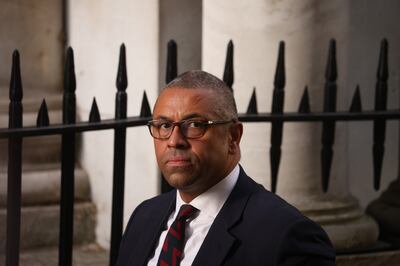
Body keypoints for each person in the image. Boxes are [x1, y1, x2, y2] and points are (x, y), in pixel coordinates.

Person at [116, 70, 335, 266]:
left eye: (194, 125)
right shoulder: (144, 216)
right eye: (164, 126)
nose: (174, 141)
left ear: (233, 137)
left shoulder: (288, 236)